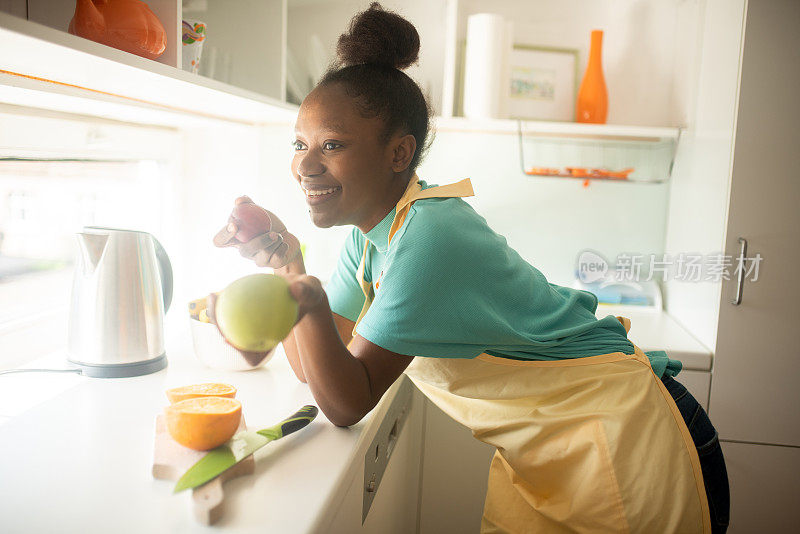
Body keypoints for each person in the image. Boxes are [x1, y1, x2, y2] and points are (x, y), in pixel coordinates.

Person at [213, 3, 729, 532]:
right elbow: (314, 373)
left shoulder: (430, 237)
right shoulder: (368, 239)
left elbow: (348, 402)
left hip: (625, 442)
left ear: (398, 154)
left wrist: (307, 294)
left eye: (333, 144)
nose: (304, 163)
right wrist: (290, 263)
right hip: (550, 457)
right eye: (300, 143)